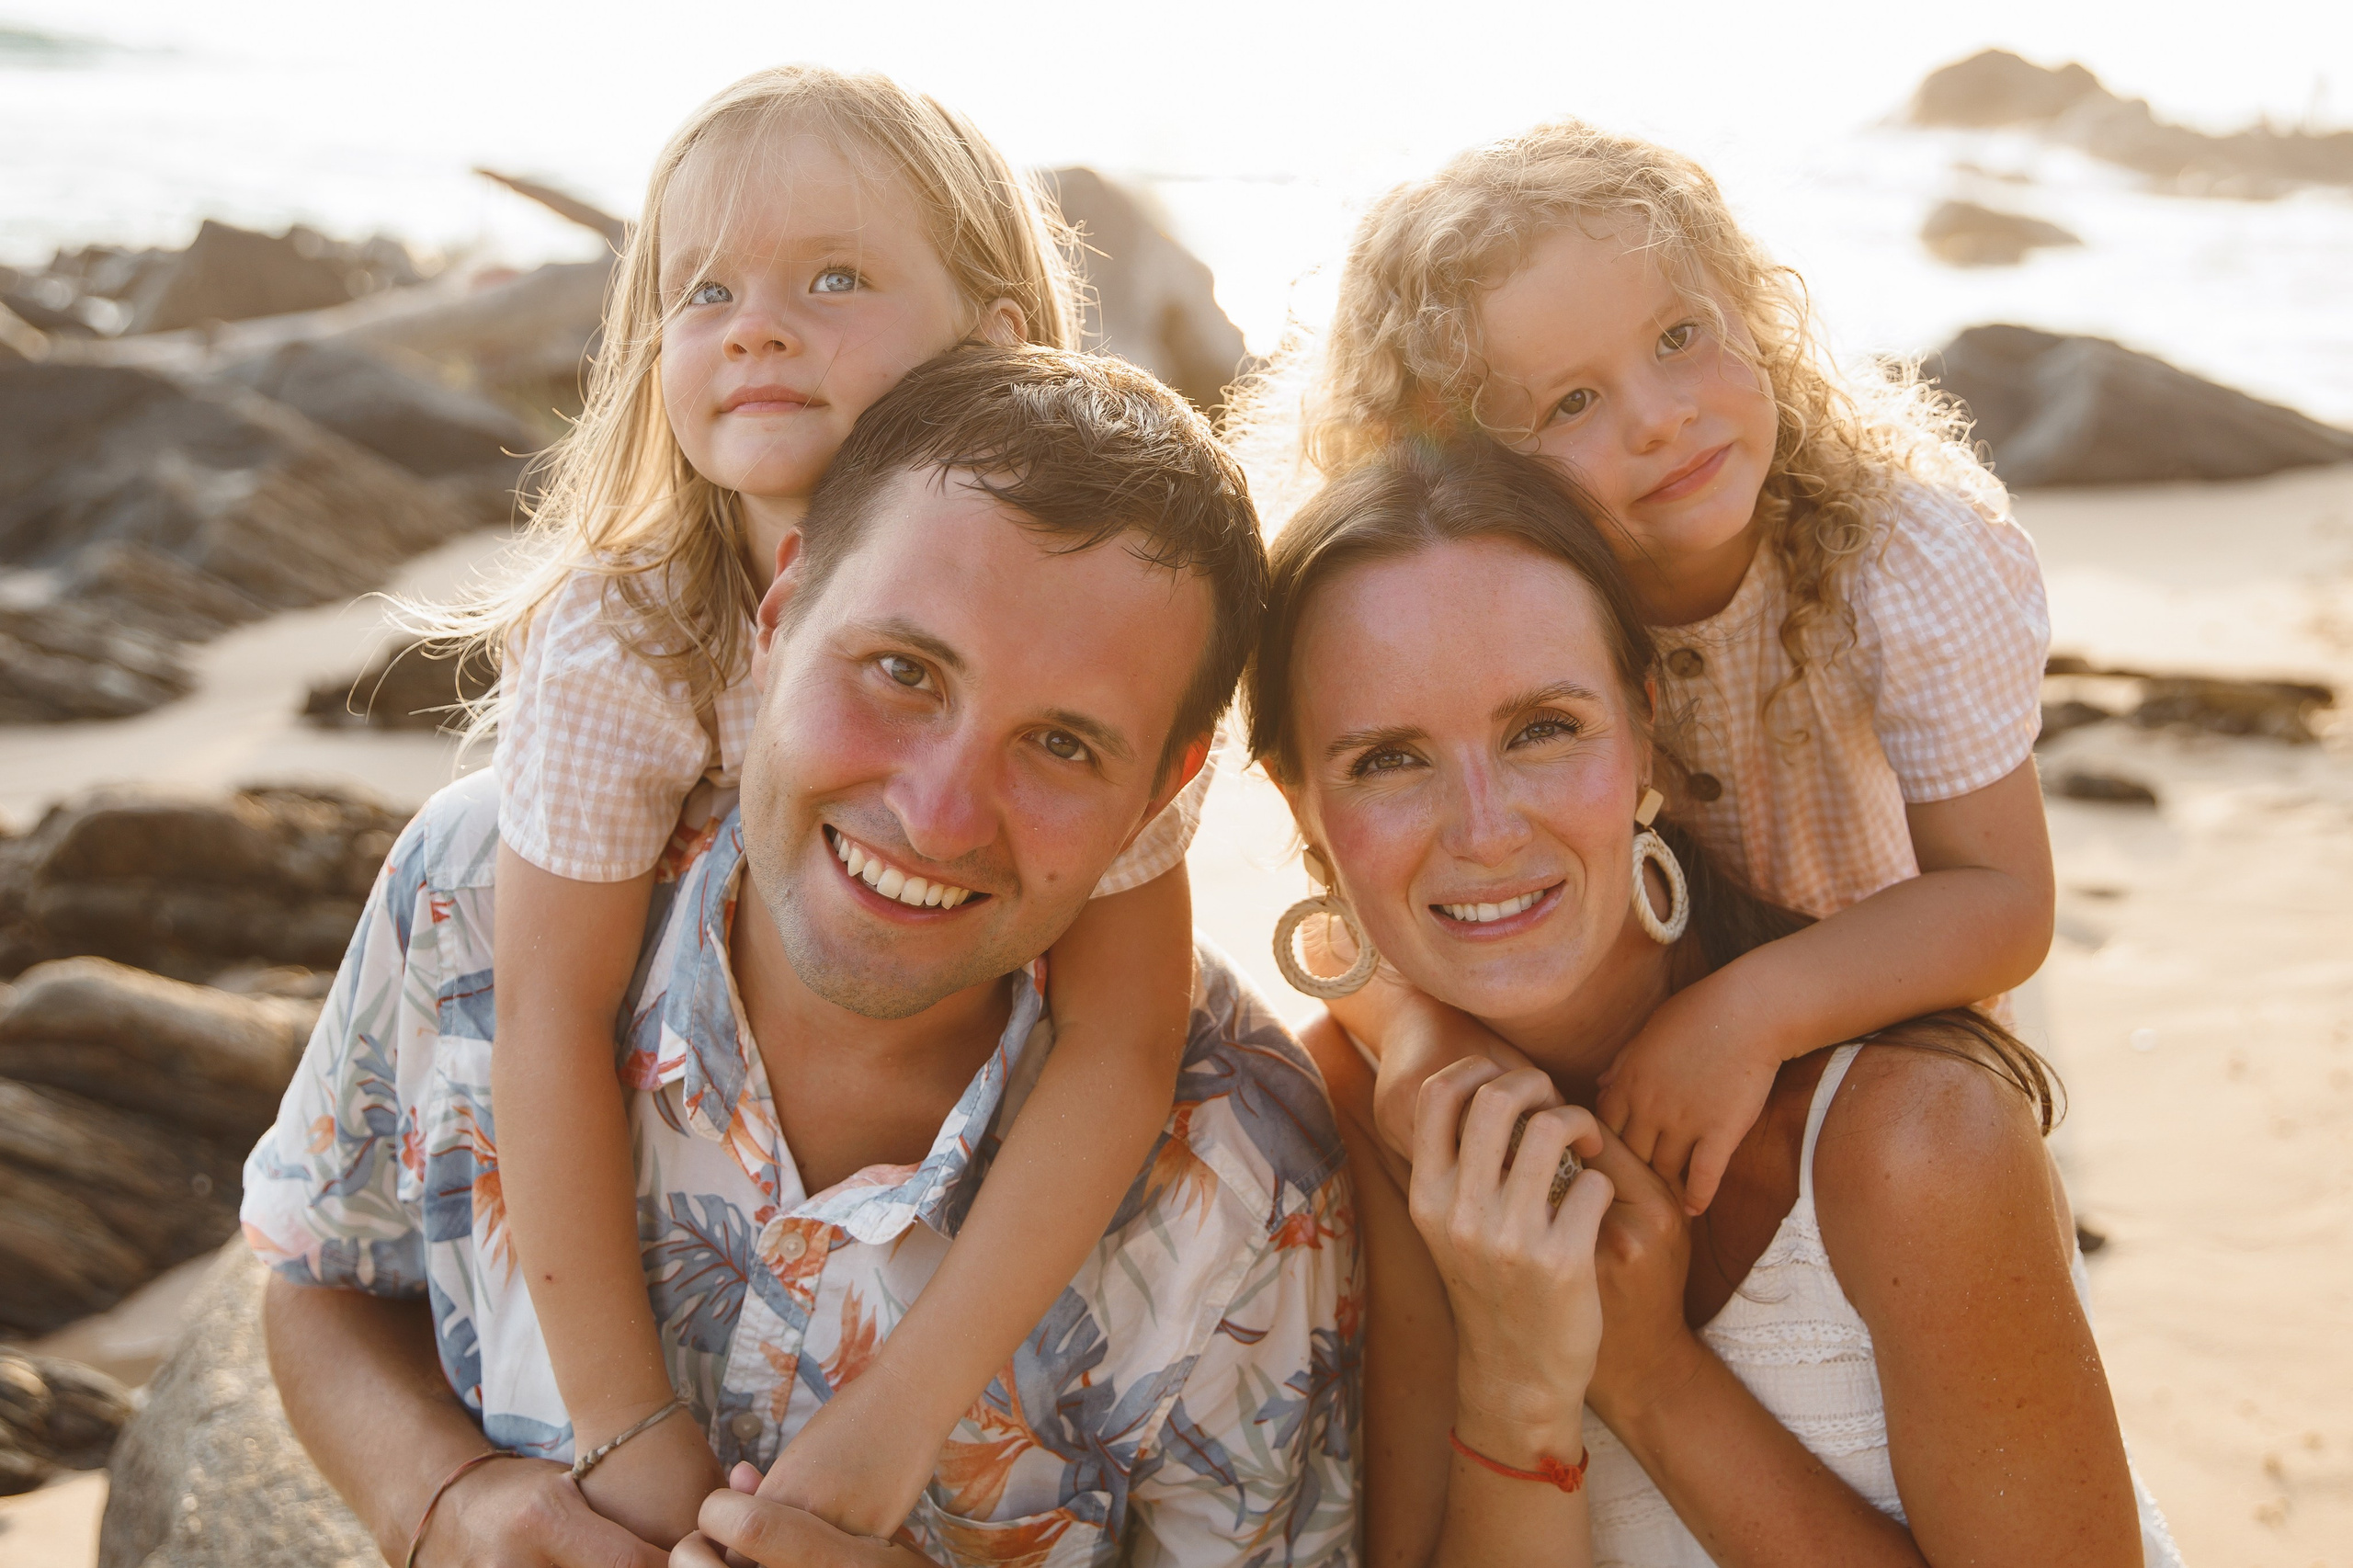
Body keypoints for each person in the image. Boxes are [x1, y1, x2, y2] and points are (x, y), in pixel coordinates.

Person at [243, 347, 1358, 1568]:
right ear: (778, 623)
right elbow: (320, 1279)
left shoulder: (1251, 1183)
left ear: (1163, 790)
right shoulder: (466, 895)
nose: (939, 816)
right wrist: (443, 1501)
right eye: (902, 670)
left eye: (1063, 744)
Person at [414, 66, 1220, 1546]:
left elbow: (1123, 1036)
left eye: (832, 277)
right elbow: (544, 1018)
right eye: (701, 288)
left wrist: (896, 1419)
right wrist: (627, 1431)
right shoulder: (626, 636)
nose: (755, 326)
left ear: (996, 339)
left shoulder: (1095, 636)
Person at [1244, 435, 2181, 1565]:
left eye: (1544, 727)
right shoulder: (1352, 1112)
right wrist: (1517, 1386)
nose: (1484, 829)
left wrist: (1649, 1377)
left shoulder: (1910, 1136)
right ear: (1300, 803)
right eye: (1387, 758)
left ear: (1645, 732)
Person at [1274, 119, 2057, 1216]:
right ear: (1466, 465)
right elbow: (1354, 902)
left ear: (1750, 306)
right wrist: (1415, 1032)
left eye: (1681, 334)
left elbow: (2004, 903)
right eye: (1571, 403)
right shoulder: (1496, 629)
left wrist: (1747, 1012)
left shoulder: (1900, 559)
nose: (1661, 415)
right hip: (1597, 1082)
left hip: (1878, 1057)